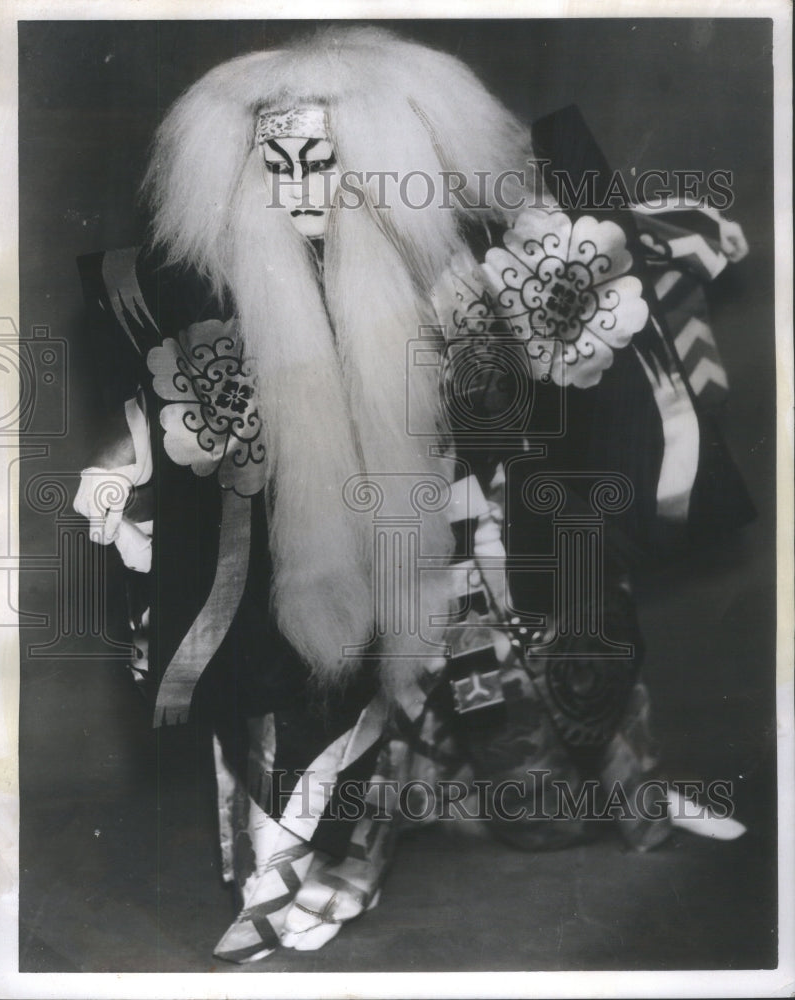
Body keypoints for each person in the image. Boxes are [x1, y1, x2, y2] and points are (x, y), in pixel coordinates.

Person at [73, 25, 752, 963]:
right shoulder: (208, 286)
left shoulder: (447, 257)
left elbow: (536, 369)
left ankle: (627, 793)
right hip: (318, 547)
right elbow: (178, 413)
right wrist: (125, 471)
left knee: (566, 650)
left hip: (466, 519)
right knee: (307, 685)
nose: (304, 190)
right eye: (278, 167)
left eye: (326, 164)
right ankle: (307, 874)